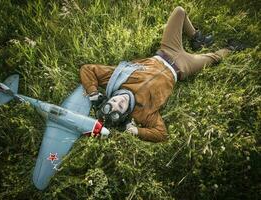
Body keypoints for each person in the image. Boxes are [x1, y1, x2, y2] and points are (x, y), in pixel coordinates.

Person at [79, 6, 233, 143]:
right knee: (214, 58)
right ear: (126, 112)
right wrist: (137, 131)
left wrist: (93, 93)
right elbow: (162, 134)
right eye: (121, 106)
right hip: (182, 67)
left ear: (109, 98)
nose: (119, 100)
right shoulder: (142, 114)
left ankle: (196, 38)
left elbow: (87, 69)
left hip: (167, 50)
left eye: (113, 101)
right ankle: (231, 49)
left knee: (179, 11)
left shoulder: (114, 80)